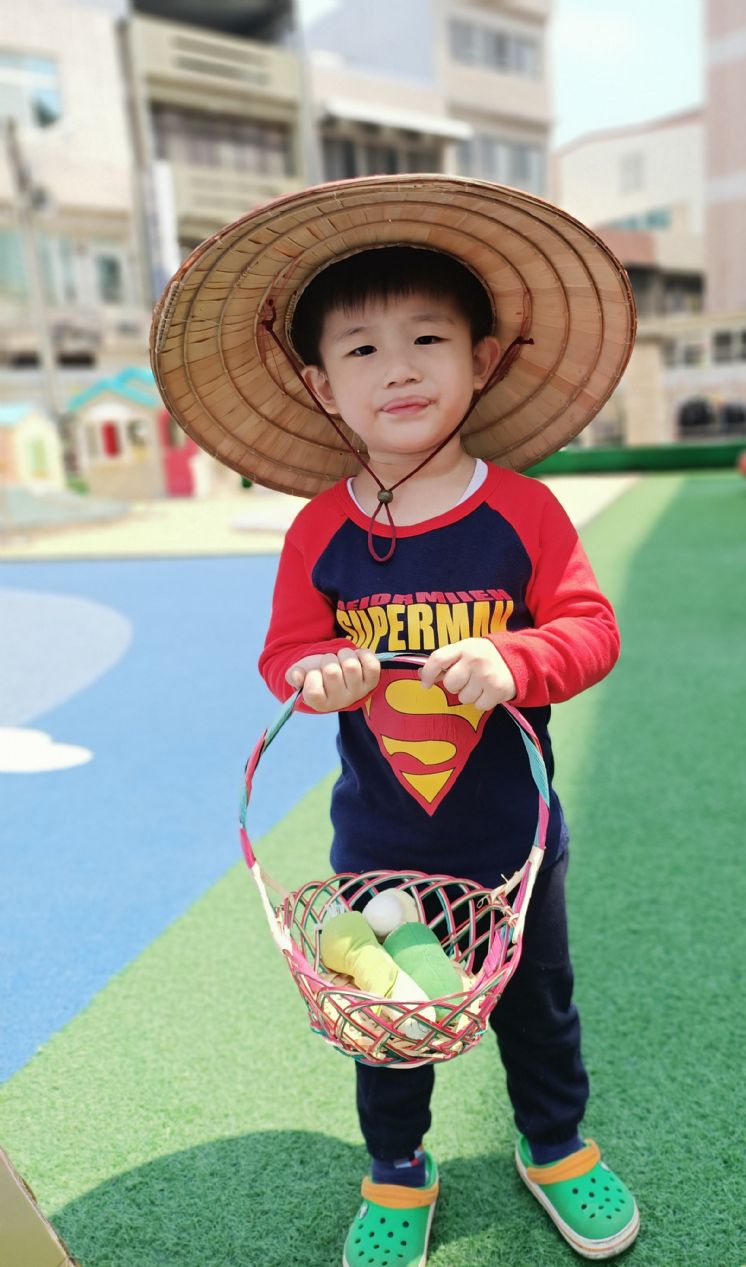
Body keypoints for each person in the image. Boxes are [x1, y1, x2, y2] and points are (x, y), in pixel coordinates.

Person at [151, 174, 639, 1265]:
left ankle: (554, 1143)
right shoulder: (318, 532)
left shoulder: (523, 510)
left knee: (537, 1003)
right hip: (379, 840)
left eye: (427, 339)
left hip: (513, 837)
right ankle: (397, 1168)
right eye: (362, 350)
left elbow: (591, 629)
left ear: (482, 360)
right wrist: (317, 674)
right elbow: (286, 653)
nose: (399, 367)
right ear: (322, 386)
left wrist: (515, 657)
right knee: (386, 1019)